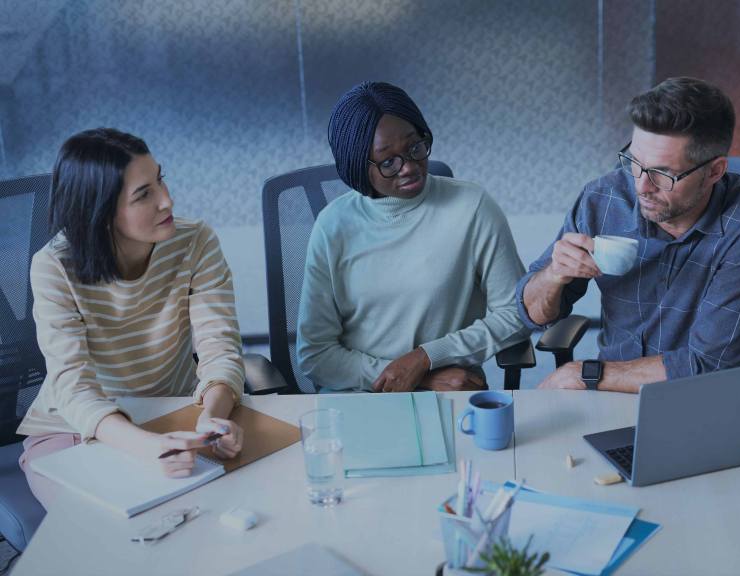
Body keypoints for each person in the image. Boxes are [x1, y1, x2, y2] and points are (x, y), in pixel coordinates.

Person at [18, 128, 245, 510]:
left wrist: (212, 417)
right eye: (144, 194)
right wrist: (149, 446)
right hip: (75, 428)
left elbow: (219, 347)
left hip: (173, 415)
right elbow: (74, 388)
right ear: (100, 211)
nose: (167, 200)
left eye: (160, 180)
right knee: (100, 528)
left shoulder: (195, 241)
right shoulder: (54, 266)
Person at [517, 77, 740, 392]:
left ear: (714, 171)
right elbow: (530, 315)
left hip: (698, 395)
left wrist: (586, 374)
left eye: (663, 173)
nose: (641, 186)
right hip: (612, 389)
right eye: (634, 162)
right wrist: (553, 275)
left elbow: (712, 363)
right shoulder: (604, 199)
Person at [297, 81, 529, 393]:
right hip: (360, 399)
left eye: (415, 147)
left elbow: (516, 313)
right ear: (358, 165)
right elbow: (316, 354)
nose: (408, 167)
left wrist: (426, 358)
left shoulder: (471, 206)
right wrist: (415, 378)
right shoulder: (332, 226)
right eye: (388, 161)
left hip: (452, 391)